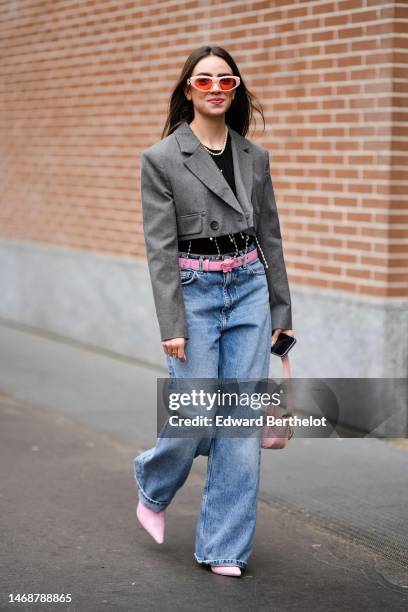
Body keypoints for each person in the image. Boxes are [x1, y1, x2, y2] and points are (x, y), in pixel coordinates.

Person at [133, 45, 294, 577]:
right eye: (205, 81)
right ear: (189, 91)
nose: (217, 88)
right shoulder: (161, 159)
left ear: (237, 89)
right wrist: (172, 324)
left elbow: (269, 235)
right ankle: (154, 486)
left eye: (227, 80)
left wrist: (280, 311)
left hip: (248, 284)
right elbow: (160, 249)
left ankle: (225, 547)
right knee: (196, 412)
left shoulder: (254, 157)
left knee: (240, 422)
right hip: (195, 289)